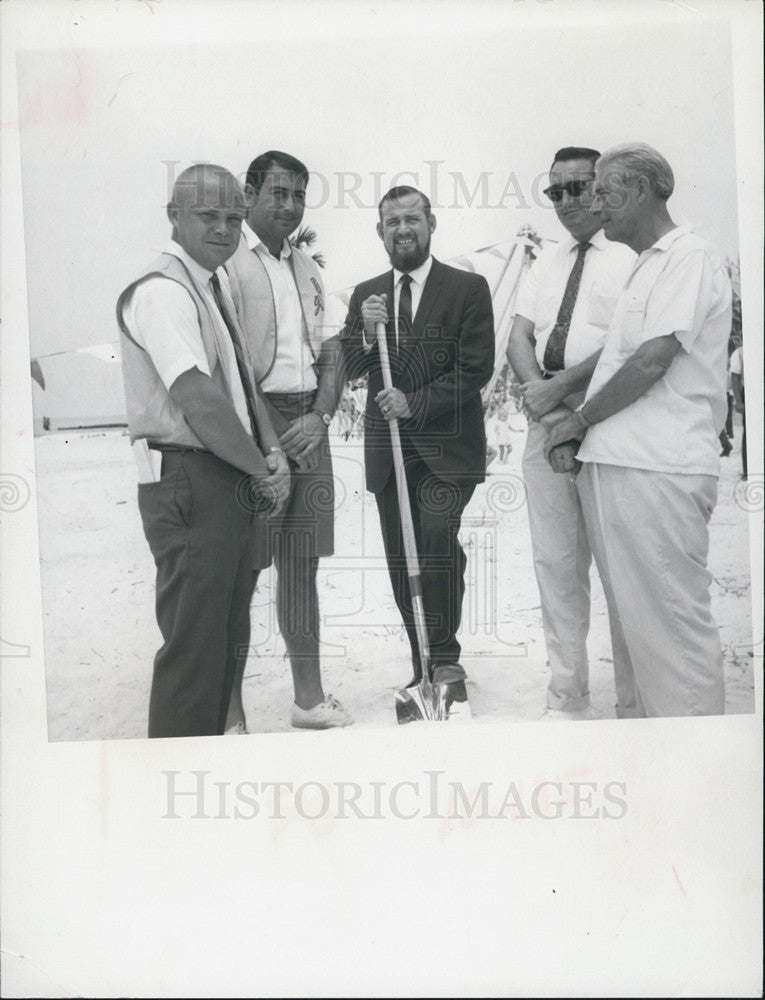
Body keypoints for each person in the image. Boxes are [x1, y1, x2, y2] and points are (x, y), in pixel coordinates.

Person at [545, 142, 732, 718]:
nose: (596, 207)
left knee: (673, 632)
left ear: (643, 190)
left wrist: (577, 420)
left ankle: (695, 777)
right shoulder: (646, 264)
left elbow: (652, 360)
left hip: (660, 469)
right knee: (634, 631)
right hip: (622, 467)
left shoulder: (690, 256)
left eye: (605, 192)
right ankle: (645, 759)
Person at [116, 164, 289, 738]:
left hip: (225, 477)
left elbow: (240, 386)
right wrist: (261, 467)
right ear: (173, 215)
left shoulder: (211, 288)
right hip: (191, 480)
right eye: (208, 216)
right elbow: (198, 398)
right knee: (195, 652)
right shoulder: (164, 290)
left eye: (234, 218)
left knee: (225, 642)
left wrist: (273, 453)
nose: (224, 229)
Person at [341, 185, 495, 701]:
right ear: (380, 230)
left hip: (448, 451)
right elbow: (353, 366)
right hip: (389, 454)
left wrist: (416, 402)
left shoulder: (467, 288)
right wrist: (365, 334)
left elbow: (476, 367)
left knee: (432, 540)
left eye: (412, 219)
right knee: (401, 554)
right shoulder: (368, 293)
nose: (402, 230)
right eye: (392, 222)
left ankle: (446, 661)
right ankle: (422, 662)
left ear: (431, 224)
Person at [506, 146, 635, 720]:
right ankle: (567, 695)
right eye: (554, 191)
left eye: (577, 188)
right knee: (556, 564)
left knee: (621, 566)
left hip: (612, 419)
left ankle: (634, 702)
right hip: (547, 421)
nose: (565, 201)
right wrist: (544, 396)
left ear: (603, 187)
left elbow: (633, 343)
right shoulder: (549, 260)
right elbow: (518, 336)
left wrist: (564, 395)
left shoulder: (633, 255)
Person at [225, 150, 352, 730]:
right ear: (249, 194)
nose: (290, 205)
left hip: (311, 425)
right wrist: (270, 435)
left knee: (302, 566)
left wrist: (322, 416)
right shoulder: (225, 263)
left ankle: (308, 701)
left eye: (299, 194)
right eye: (278, 192)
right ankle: (227, 713)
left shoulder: (308, 267)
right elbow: (224, 364)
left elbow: (332, 351)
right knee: (241, 571)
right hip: (254, 425)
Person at [730, 341, 746, 479]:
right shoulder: (740, 353)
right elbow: (735, 376)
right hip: (748, 393)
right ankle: (748, 469)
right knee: (749, 432)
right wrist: (739, 401)